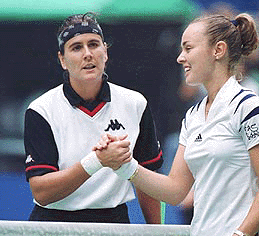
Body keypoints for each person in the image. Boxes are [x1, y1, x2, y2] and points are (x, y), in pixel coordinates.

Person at [95, 13, 259, 236]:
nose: (180, 58)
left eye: (188, 48)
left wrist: (241, 234)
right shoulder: (193, 116)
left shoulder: (250, 109)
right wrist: (124, 165)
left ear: (218, 50)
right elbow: (175, 191)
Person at [23, 12, 163, 223]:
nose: (87, 54)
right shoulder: (41, 110)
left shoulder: (135, 103)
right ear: (62, 60)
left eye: (94, 44)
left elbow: (148, 180)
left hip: (114, 221)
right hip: (54, 223)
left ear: (105, 52)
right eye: (76, 47)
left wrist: (157, 230)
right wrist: (97, 161)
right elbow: (42, 192)